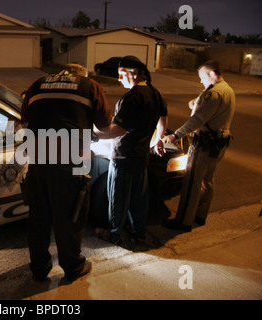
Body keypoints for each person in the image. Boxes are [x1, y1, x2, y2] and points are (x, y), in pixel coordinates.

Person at [21, 63, 113, 281]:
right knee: (71, 216)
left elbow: (24, 121)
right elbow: (105, 124)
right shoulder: (89, 86)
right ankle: (72, 267)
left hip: (39, 159)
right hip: (72, 162)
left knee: (38, 217)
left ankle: (39, 268)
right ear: (80, 75)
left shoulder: (37, 85)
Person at [94, 56, 168, 245]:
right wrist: (158, 140)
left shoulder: (131, 98)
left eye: (121, 74)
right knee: (138, 198)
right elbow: (162, 120)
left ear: (133, 73)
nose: (119, 79)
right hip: (142, 156)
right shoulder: (154, 92)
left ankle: (114, 233)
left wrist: (93, 135)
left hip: (123, 157)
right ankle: (139, 233)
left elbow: (118, 130)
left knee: (117, 197)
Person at [162, 60, 235, 231]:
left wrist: (175, 135)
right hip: (219, 143)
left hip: (204, 144)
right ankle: (200, 215)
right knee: (207, 181)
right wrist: (197, 103)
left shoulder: (214, 93)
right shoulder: (228, 90)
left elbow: (198, 120)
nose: (200, 81)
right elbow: (211, 111)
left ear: (213, 74)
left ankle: (183, 221)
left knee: (192, 183)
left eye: (202, 77)